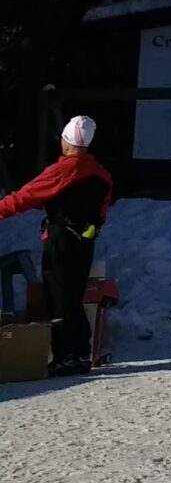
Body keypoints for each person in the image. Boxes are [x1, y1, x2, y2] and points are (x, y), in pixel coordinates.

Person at [0, 116, 115, 376]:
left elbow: (23, 198)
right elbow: (103, 209)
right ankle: (80, 353)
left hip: (60, 240)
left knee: (59, 298)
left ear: (66, 141)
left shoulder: (63, 170)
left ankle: (66, 357)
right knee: (73, 296)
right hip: (85, 241)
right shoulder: (102, 175)